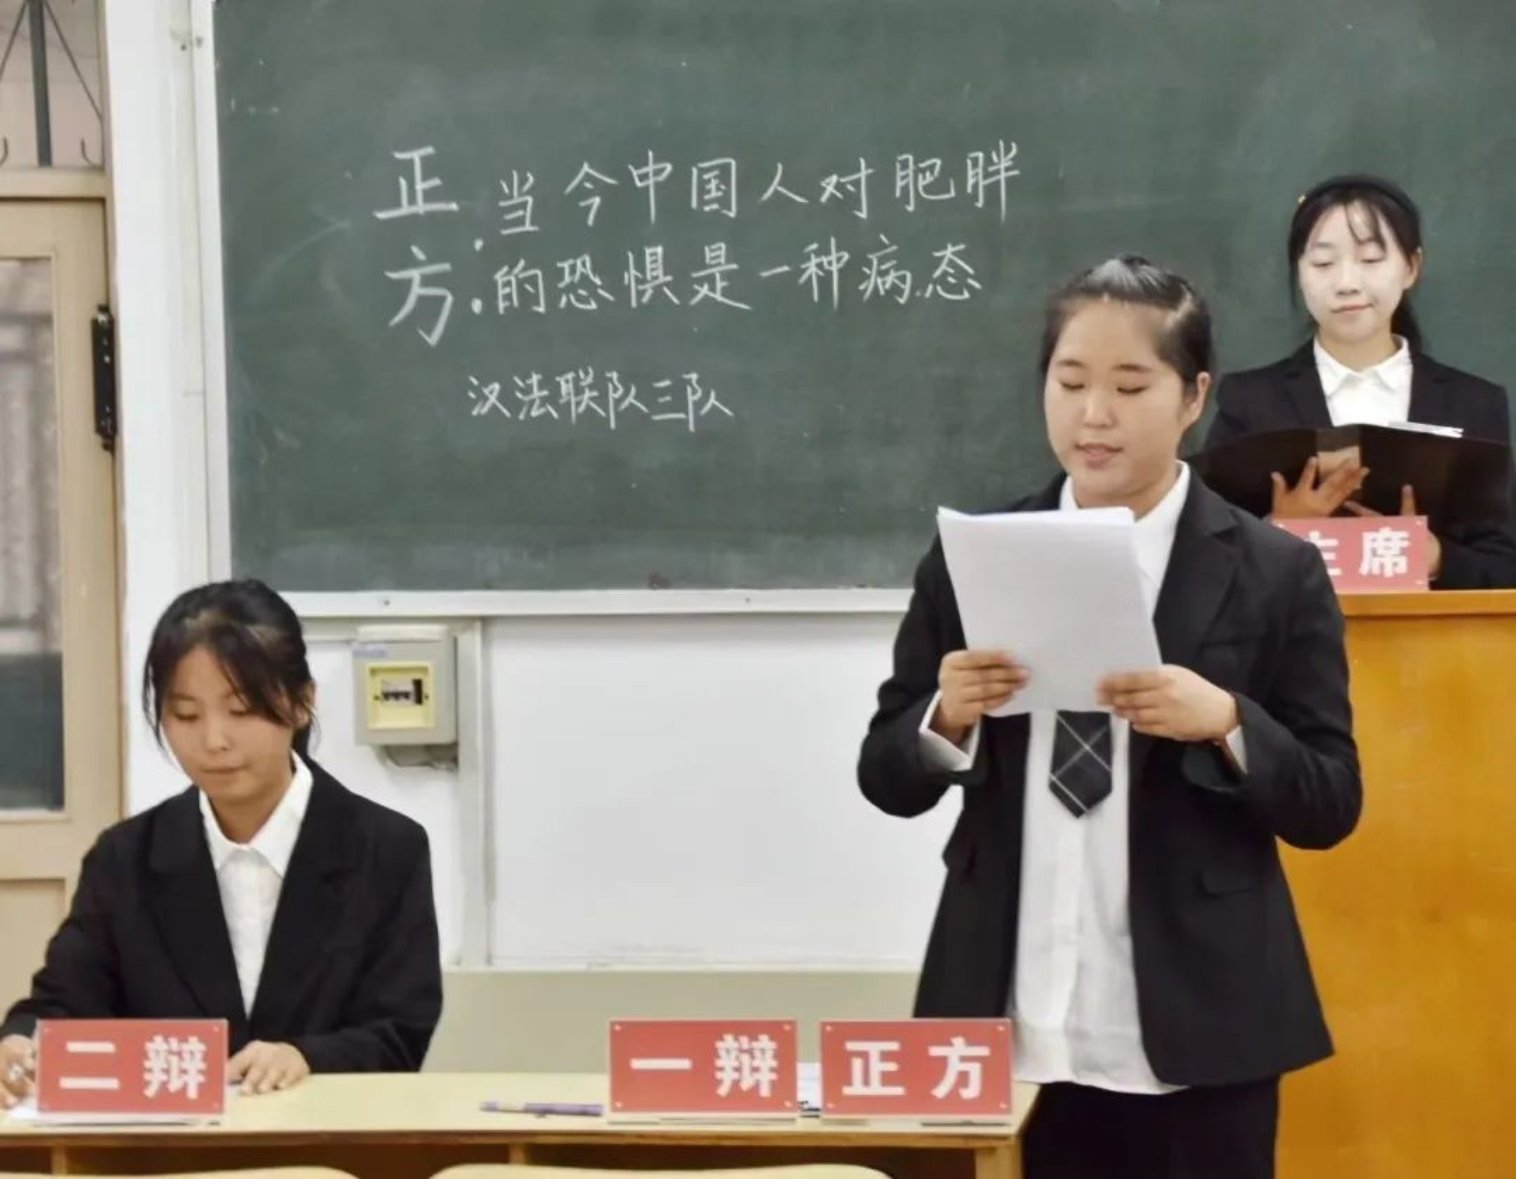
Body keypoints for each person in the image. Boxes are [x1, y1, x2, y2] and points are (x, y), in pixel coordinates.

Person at [858, 256, 1361, 1179]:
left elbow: (1330, 802)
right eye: (1070, 382)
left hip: (1196, 1027)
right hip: (1004, 1019)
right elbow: (886, 775)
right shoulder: (975, 553)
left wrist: (1227, 720)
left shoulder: (1274, 571)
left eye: (1130, 387)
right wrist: (947, 716)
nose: (1094, 415)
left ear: (1193, 396)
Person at [0, 579, 442, 1105]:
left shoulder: (385, 849)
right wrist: (21, 1044)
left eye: (241, 710)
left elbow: (399, 1031)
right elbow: (62, 1006)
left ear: (301, 703)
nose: (213, 740)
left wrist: (307, 1057)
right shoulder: (125, 859)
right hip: (170, 1145)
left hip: (326, 1135)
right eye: (186, 715)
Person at [1206, 173, 1516, 588]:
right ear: (1299, 271)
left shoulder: (1472, 404)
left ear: (1411, 267)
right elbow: (1203, 552)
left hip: (1429, 629)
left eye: (1371, 260)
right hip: (1291, 627)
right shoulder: (1249, 401)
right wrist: (1277, 528)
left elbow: (1504, 560)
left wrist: (1433, 557)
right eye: (1323, 263)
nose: (1347, 284)